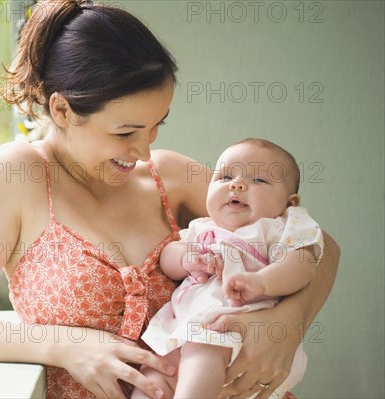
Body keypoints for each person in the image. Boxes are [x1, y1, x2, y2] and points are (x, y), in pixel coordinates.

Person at [0, 1, 340, 398]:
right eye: (125, 133)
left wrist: (285, 324)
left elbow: (321, 246)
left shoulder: (168, 175)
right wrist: (65, 346)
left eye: (156, 125)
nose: (143, 151)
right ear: (63, 110)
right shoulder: (15, 175)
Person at [134, 139, 323, 399]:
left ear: (290, 203)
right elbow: (166, 257)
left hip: (232, 329)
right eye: (224, 177)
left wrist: (262, 283)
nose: (237, 184)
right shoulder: (202, 227)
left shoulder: (276, 228)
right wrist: (187, 259)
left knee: (204, 353)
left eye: (259, 180)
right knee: (152, 378)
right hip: (179, 331)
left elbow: (302, 266)